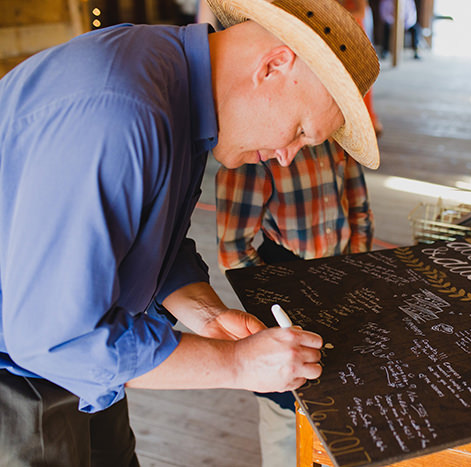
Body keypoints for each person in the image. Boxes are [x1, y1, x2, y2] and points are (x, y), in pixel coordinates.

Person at [0, 0, 380, 464]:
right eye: (300, 130)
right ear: (274, 66)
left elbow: (139, 232)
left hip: (93, 362)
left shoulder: (176, 86)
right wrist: (237, 364)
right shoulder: (122, 111)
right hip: (21, 376)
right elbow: (59, 339)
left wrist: (204, 312)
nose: (287, 156)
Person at [216, 139, 373, 466]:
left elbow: (359, 209)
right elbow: (233, 250)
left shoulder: (337, 137)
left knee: (338, 388)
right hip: (282, 283)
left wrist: (353, 272)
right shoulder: (258, 149)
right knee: (284, 403)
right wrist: (275, 299)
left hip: (341, 277)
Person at [340, 0, 384, 135]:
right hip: (341, 30)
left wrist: (334, 13)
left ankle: (368, 122)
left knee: (359, 79)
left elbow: (361, 12)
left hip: (354, 30)